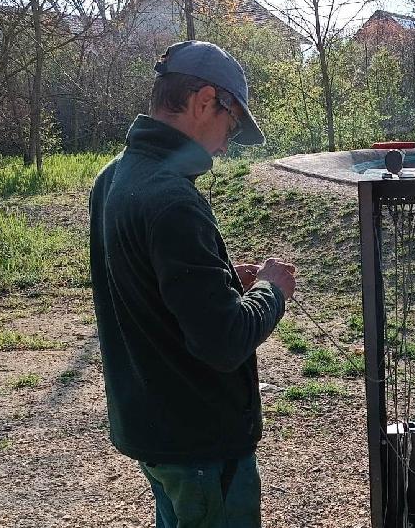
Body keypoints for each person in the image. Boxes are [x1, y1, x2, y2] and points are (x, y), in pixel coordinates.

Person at [89, 40, 296, 528]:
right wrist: (271, 290)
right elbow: (223, 342)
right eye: (230, 125)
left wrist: (224, 282)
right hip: (200, 446)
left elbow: (147, 290)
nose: (226, 144)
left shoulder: (113, 178)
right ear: (205, 101)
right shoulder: (172, 199)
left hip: (157, 435)